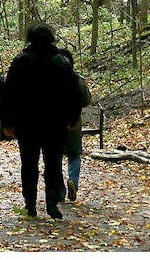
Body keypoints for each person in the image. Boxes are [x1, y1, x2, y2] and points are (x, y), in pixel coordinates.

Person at [0, 23, 83, 219]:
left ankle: (30, 204)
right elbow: (74, 93)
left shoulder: (21, 61)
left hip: (27, 122)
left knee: (29, 164)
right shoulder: (62, 63)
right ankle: (52, 204)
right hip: (55, 123)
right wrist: (74, 116)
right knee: (53, 164)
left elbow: (8, 94)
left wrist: (7, 122)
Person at [59, 48, 92, 202]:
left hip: (53, 124)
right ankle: (73, 180)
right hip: (74, 123)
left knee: (54, 157)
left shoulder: (49, 79)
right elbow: (87, 100)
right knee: (74, 154)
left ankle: (59, 191)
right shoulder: (78, 79)